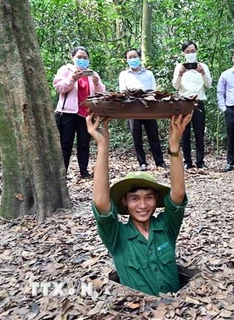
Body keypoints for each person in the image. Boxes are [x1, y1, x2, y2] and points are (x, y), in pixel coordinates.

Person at [87, 112, 192, 296]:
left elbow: (178, 193)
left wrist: (174, 144)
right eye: (135, 198)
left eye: (149, 197)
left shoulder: (166, 226)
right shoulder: (117, 236)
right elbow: (100, 201)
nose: (143, 205)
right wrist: (102, 145)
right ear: (125, 202)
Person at [53, 46, 106, 179]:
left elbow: (101, 93)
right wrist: (72, 79)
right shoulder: (65, 70)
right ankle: (62, 172)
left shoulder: (92, 73)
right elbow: (59, 87)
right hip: (67, 113)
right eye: (79, 57)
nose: (82, 60)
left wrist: (97, 83)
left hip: (87, 114)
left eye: (85, 58)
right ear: (73, 57)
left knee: (84, 143)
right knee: (65, 143)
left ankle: (84, 170)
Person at [118, 49, 167, 171]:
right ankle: (142, 163)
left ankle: (159, 162)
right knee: (136, 136)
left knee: (153, 135)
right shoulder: (124, 74)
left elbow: (153, 90)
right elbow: (123, 91)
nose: (132, 59)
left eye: (135, 56)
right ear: (126, 60)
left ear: (139, 57)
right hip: (132, 109)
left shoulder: (148, 74)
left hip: (148, 108)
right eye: (130, 57)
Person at [172, 41, 212, 170]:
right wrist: (180, 74)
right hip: (184, 103)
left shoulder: (203, 66)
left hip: (198, 103)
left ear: (197, 51)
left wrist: (202, 73)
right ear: (184, 53)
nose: (191, 54)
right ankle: (187, 161)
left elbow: (209, 84)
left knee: (199, 133)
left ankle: (200, 161)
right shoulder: (179, 67)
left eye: (193, 51)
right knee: (185, 133)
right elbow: (175, 86)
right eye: (188, 52)